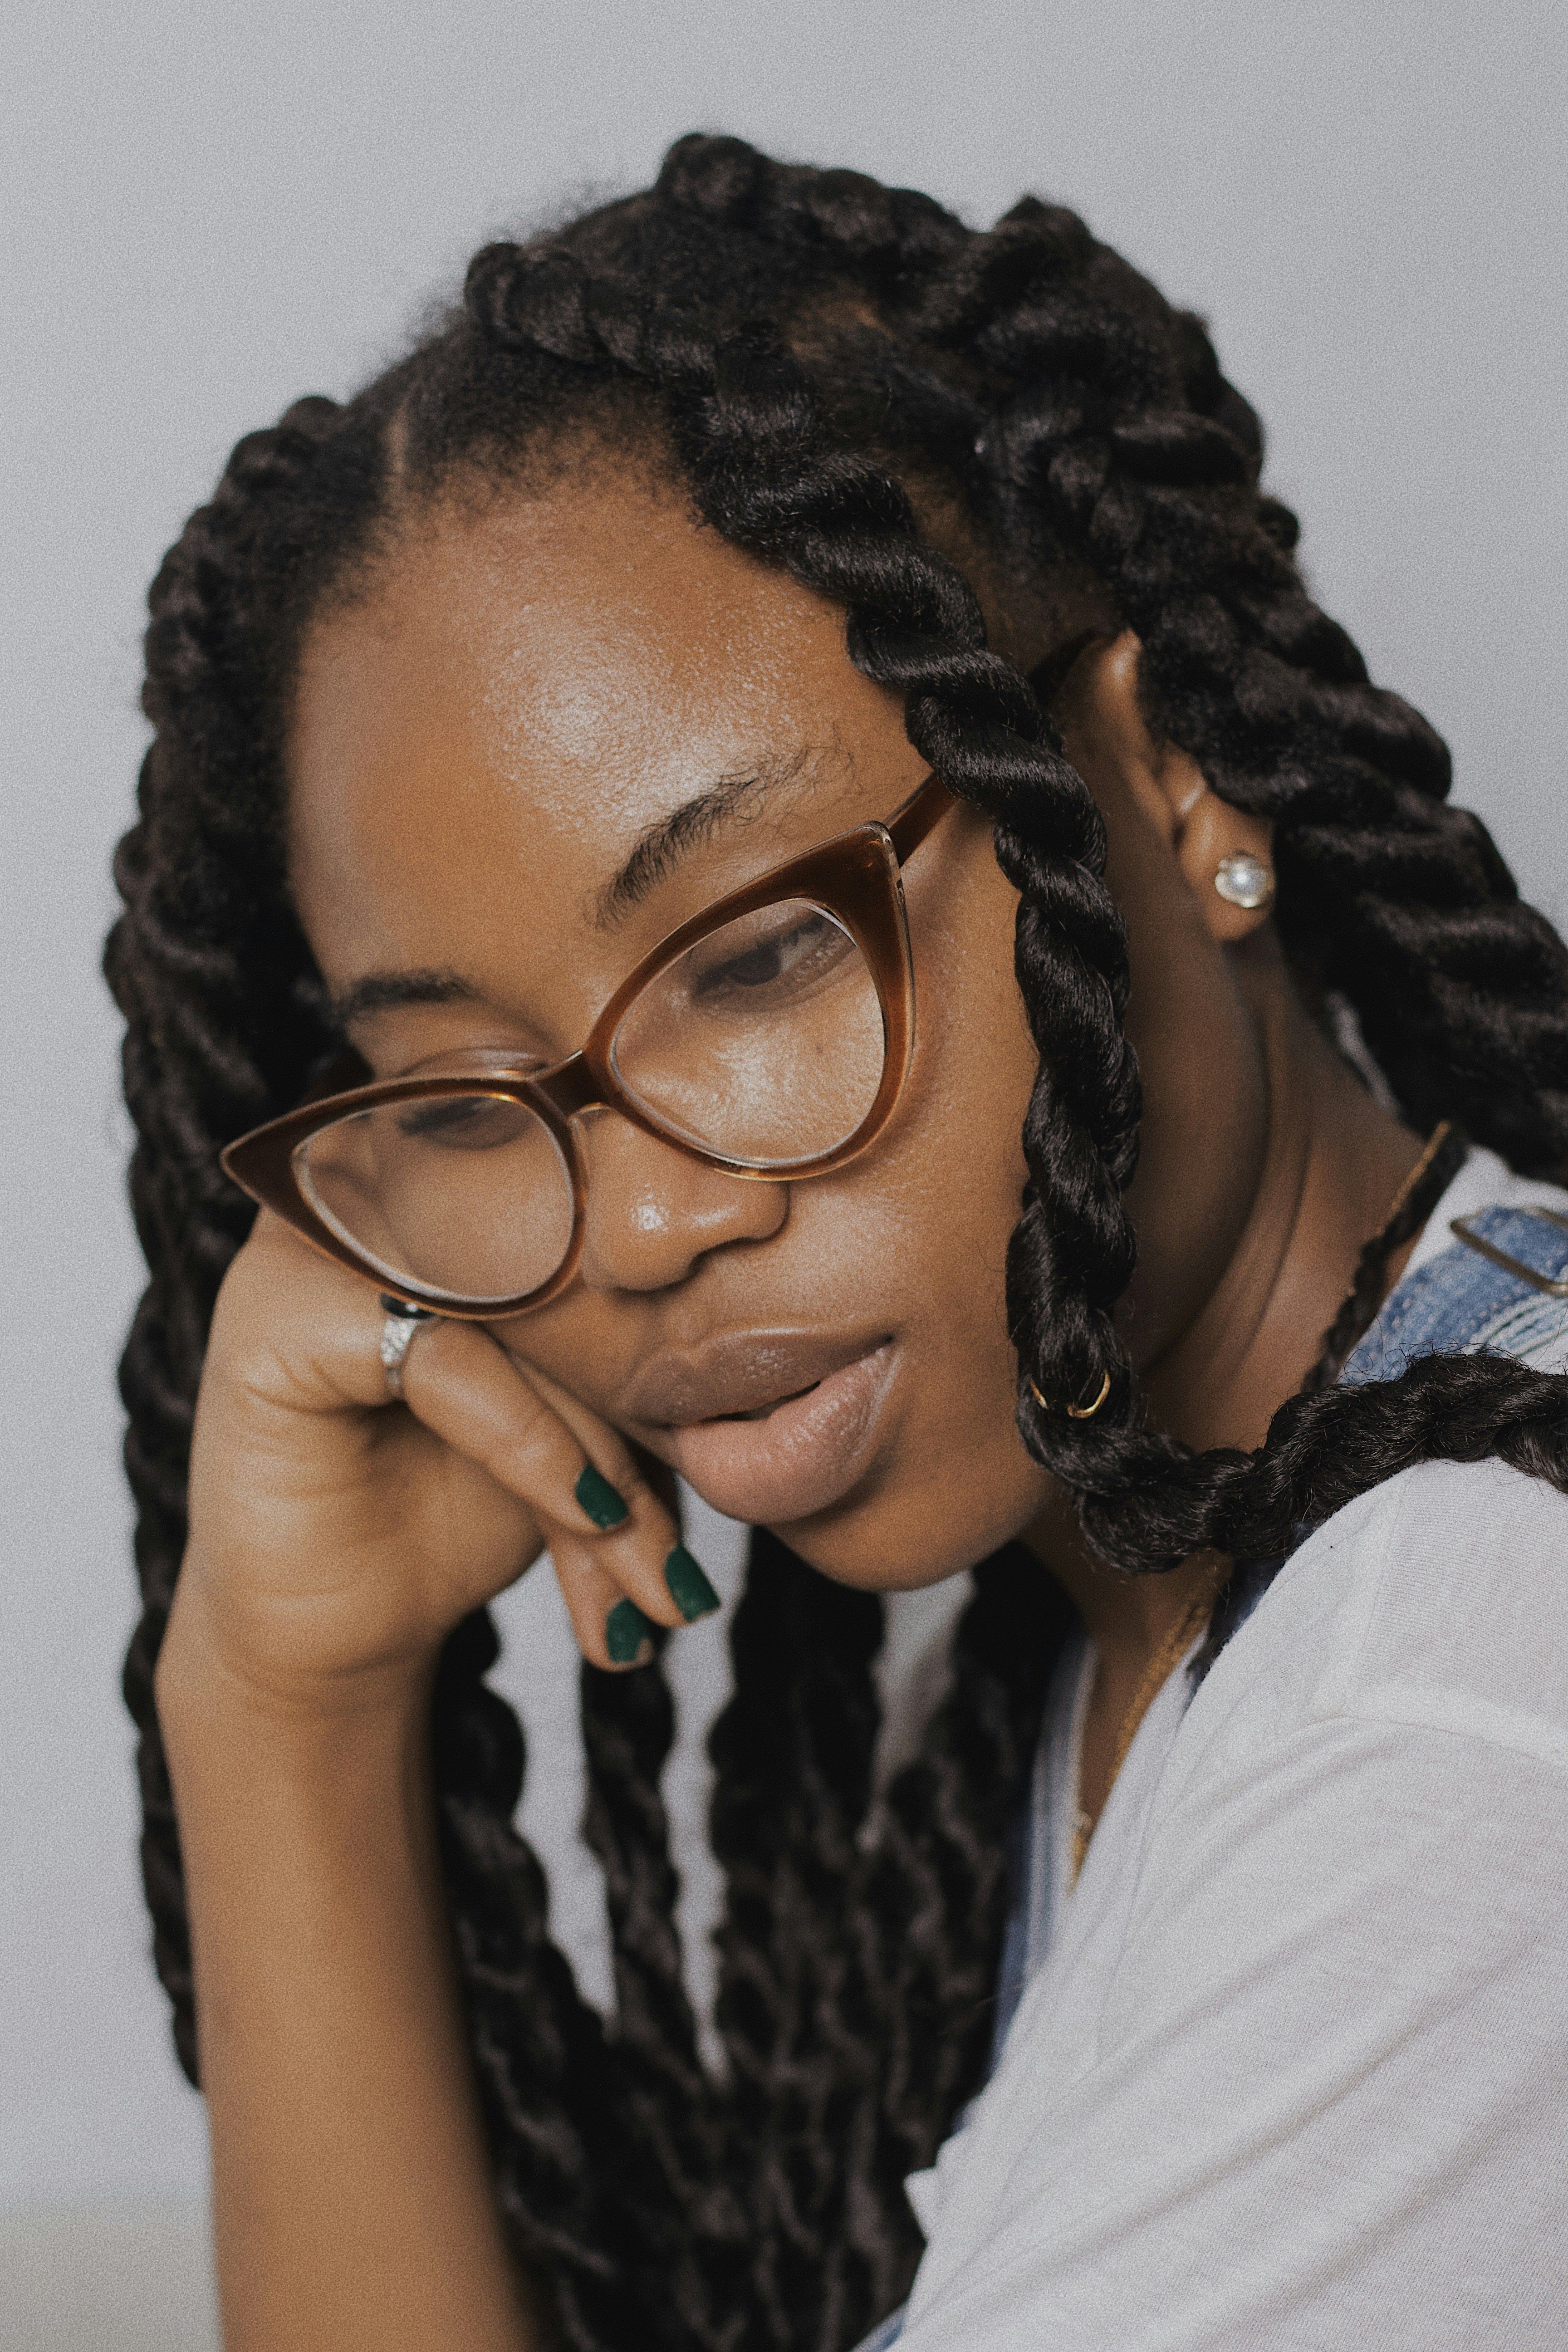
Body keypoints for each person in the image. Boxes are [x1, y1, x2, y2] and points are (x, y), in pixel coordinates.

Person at [106, 134, 1568, 2352]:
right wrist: (279, 1704)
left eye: (759, 958)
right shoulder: (1072, 1671)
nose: (639, 1226)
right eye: (467, 1092)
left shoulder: (1467, 1695)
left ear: (1178, 780)